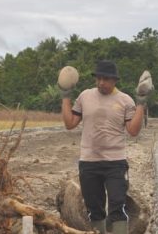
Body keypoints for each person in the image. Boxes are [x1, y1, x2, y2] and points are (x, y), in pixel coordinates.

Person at [60, 60, 151, 234]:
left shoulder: (125, 100)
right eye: (99, 78)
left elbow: (133, 130)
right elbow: (70, 123)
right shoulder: (85, 96)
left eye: (106, 79)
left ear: (115, 80)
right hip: (89, 162)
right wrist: (65, 96)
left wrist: (140, 103)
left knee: (117, 206)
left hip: (115, 162)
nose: (101, 82)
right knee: (94, 209)